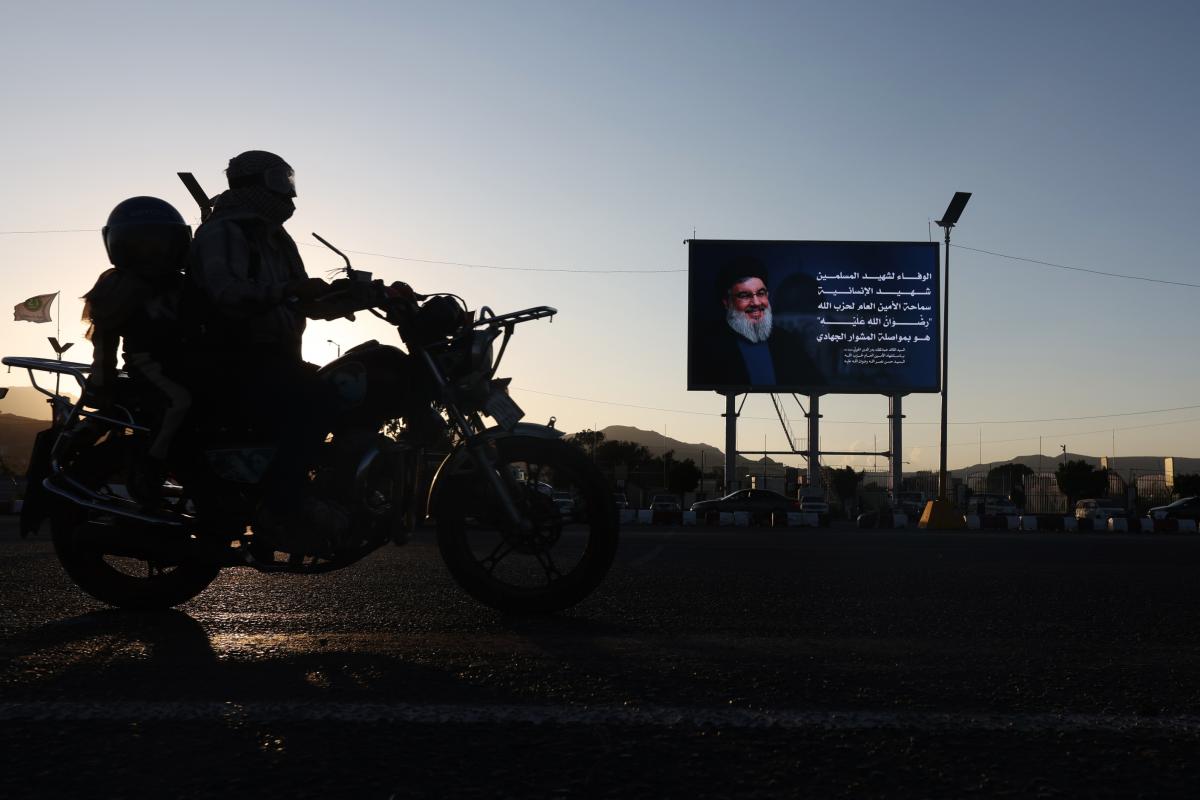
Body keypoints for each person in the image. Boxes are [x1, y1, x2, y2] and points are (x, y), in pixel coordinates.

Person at [186, 150, 347, 553]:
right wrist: (290, 291)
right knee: (319, 397)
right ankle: (285, 506)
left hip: (277, 356)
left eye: (288, 182)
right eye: (278, 182)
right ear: (248, 183)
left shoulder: (275, 237)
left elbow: (304, 300)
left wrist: (359, 296)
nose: (288, 196)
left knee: (345, 385)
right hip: (236, 358)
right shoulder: (223, 230)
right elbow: (226, 293)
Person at [83, 196, 194, 505]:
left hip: (191, 363)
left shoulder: (186, 284)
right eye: (140, 244)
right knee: (180, 402)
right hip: (150, 366)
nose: (151, 252)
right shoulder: (119, 288)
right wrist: (101, 382)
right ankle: (153, 464)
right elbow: (104, 342)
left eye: (159, 243)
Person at [689, 256, 821, 388]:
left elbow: (816, 384)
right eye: (744, 295)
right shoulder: (706, 348)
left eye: (761, 293)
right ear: (727, 303)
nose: (756, 303)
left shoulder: (786, 341)